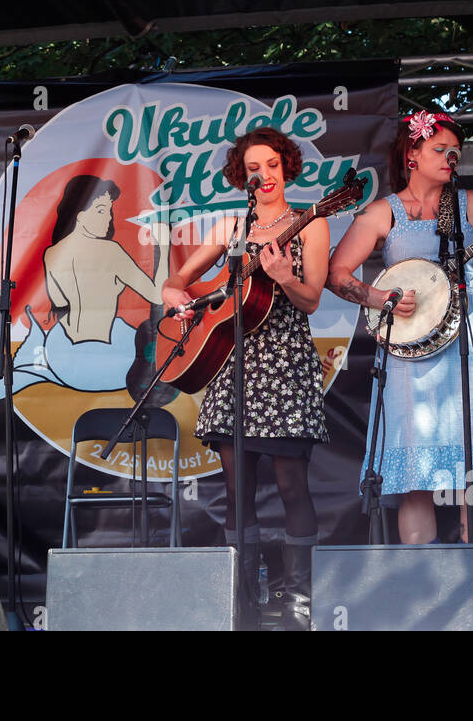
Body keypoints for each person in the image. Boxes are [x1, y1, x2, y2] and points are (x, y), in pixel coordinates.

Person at [327, 111, 473, 545]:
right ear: (411, 154)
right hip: (407, 353)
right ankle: (423, 590)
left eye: (455, 151)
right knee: (415, 482)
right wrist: (381, 298)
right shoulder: (384, 212)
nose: (450, 157)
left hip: (469, 344)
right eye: (439, 149)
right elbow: (338, 274)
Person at [161, 127, 329, 630]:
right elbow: (175, 282)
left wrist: (282, 277)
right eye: (254, 168)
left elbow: (312, 299)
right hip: (232, 365)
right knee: (237, 492)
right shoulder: (232, 227)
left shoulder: (309, 223)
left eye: (272, 165)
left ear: (286, 167)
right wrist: (177, 299)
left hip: (285, 365)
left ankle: (299, 603)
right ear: (244, 176)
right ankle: (246, 603)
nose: (265, 175)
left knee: (291, 485)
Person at [0, 174, 169, 396]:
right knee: (153, 344)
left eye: (109, 210)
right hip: (109, 361)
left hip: (61, 356)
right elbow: (157, 296)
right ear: (80, 214)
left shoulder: (52, 253)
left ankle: (33, 360)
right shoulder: (110, 251)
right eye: (100, 210)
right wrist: (163, 246)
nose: (108, 218)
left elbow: (59, 301)